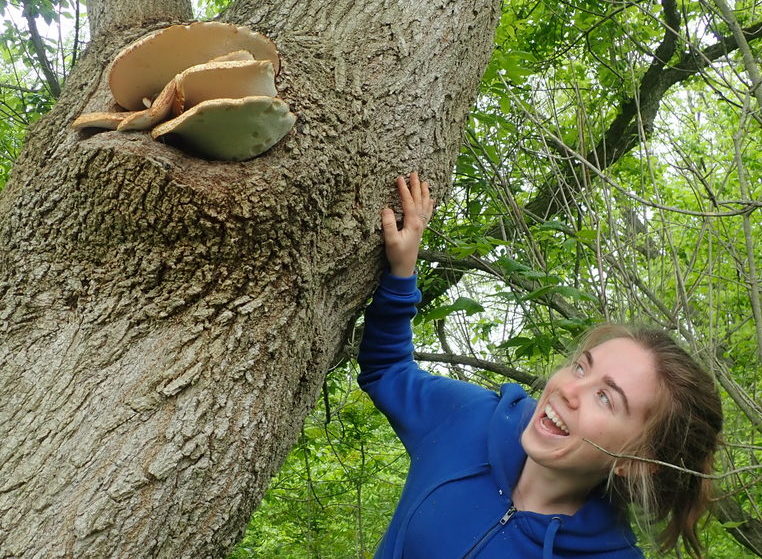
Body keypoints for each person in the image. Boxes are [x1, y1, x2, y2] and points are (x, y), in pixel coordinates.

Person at [357, 172, 723, 559]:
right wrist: (402, 273)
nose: (567, 389)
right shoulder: (472, 419)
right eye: (581, 368)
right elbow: (388, 371)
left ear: (637, 462)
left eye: (605, 397)